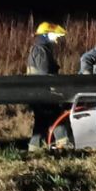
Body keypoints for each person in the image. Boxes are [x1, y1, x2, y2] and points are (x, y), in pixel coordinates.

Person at [26, 22, 66, 151]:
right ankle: (64, 145)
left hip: (37, 92)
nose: (57, 39)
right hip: (43, 92)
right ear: (46, 35)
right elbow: (45, 74)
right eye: (55, 35)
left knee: (41, 122)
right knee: (56, 118)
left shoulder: (40, 48)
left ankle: (34, 148)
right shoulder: (41, 50)